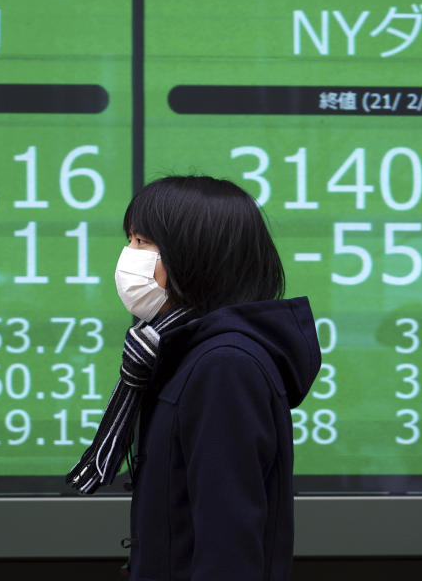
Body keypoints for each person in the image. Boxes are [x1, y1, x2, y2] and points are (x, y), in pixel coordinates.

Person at [68, 175, 321, 581]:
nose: (128, 256)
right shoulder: (184, 351)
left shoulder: (225, 366)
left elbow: (228, 545)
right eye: (130, 240)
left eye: (142, 242)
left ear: (195, 256)